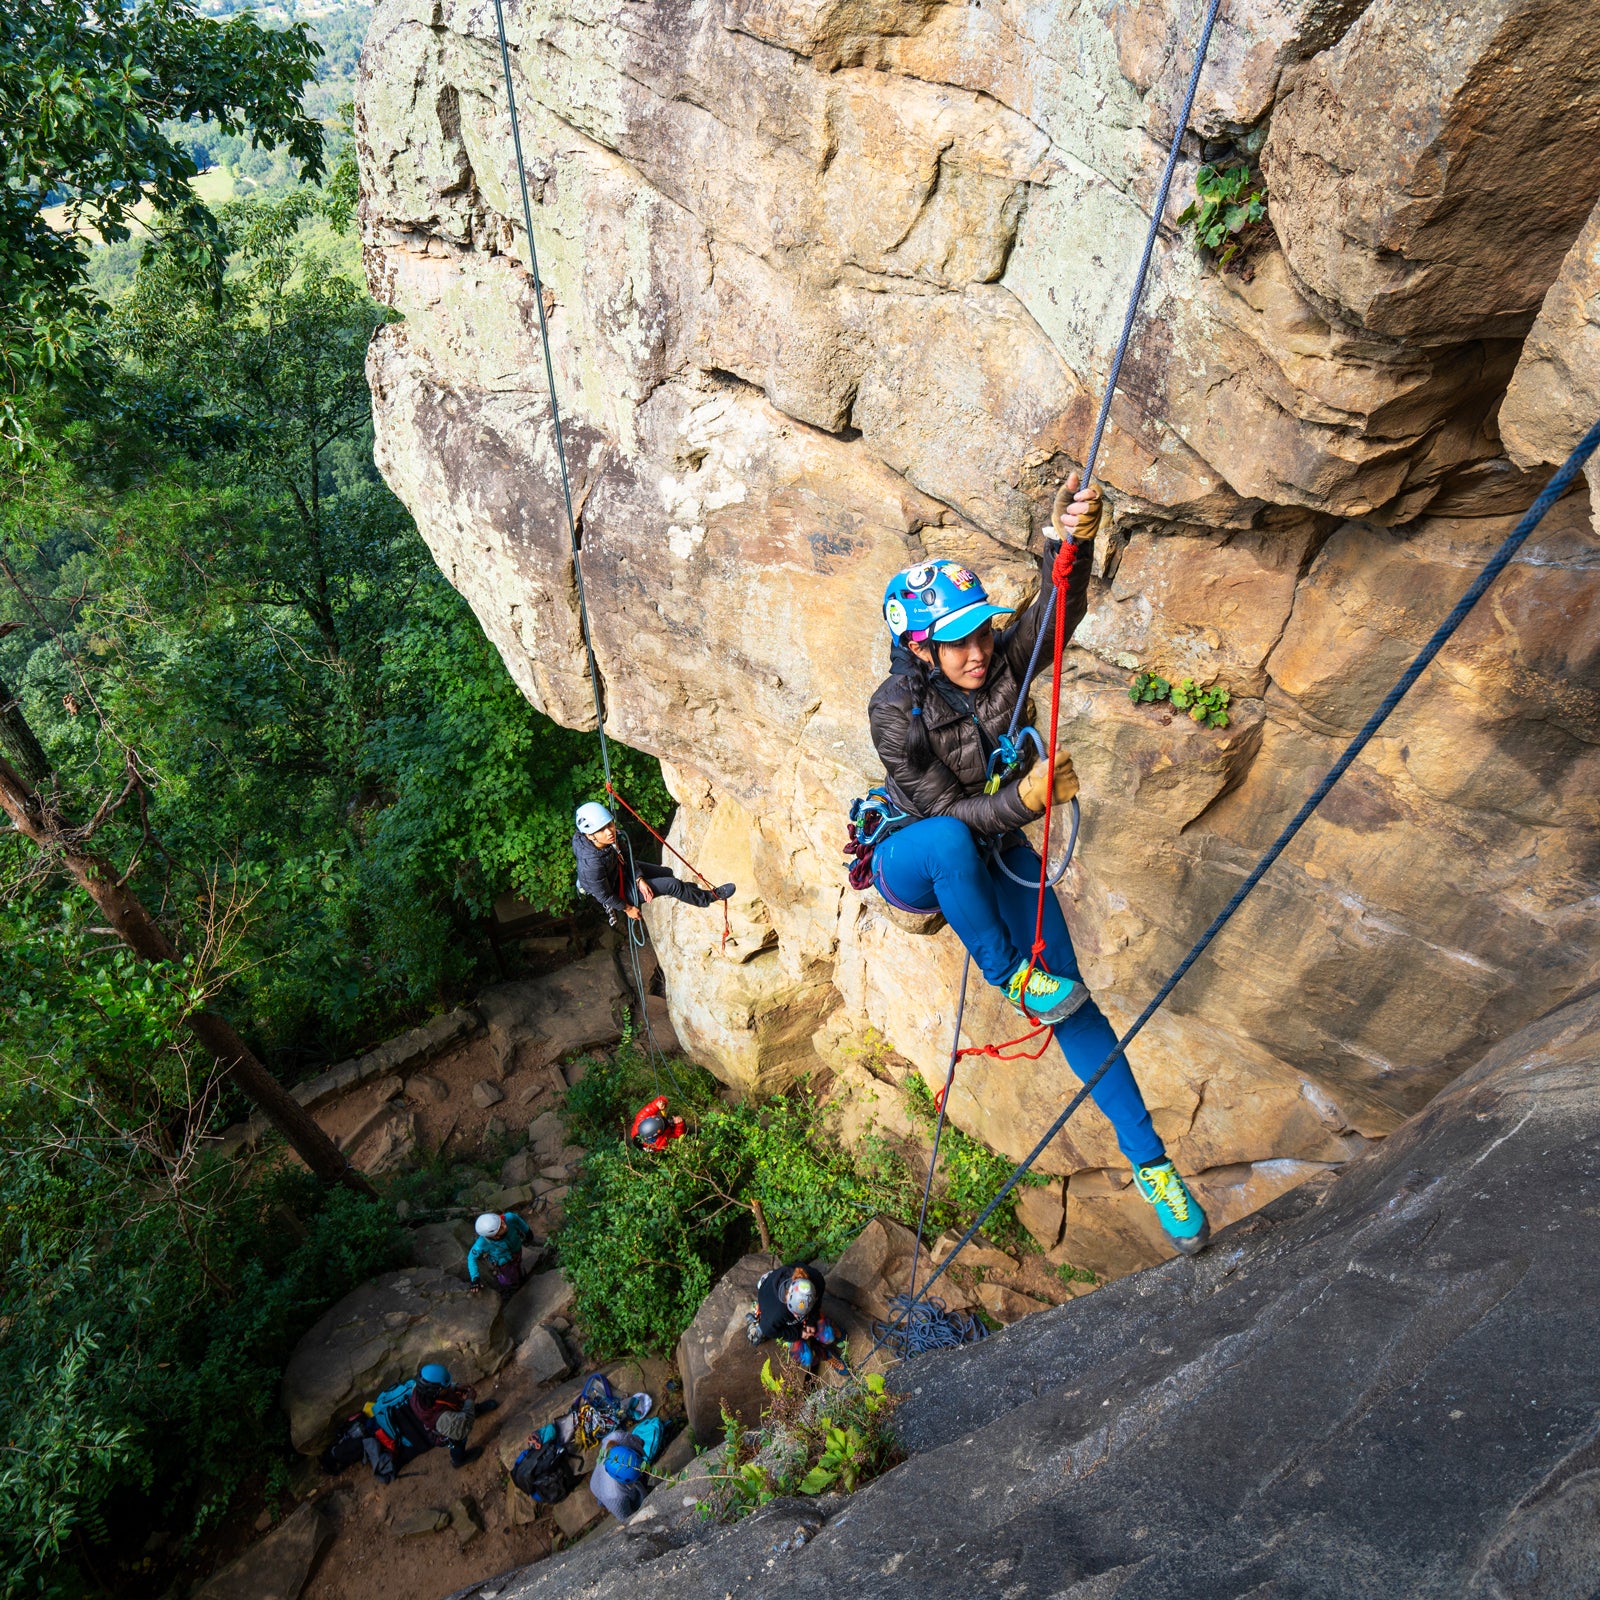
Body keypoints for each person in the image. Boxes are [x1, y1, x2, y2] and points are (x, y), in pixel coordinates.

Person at [864, 475, 1208, 1256]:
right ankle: (1008, 973)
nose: (979, 653)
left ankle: (1152, 1166)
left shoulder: (999, 662)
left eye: (982, 634)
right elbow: (946, 816)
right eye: (958, 643)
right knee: (951, 847)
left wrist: (1069, 539)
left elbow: (1055, 615)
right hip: (913, 858)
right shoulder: (894, 708)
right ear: (920, 648)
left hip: (996, 856)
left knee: (1077, 1004)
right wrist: (1026, 797)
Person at [320, 1362, 498, 1481]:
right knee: (457, 1439)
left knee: (456, 1403)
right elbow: (461, 1428)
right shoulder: (438, 1417)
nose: (448, 1387)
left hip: (438, 1416)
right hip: (443, 1431)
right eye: (444, 1386)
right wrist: (469, 1402)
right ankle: (459, 1459)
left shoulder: (419, 1389)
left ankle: (475, 1411)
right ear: (435, 1391)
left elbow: (440, 1389)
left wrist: (453, 1387)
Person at [572, 801, 735, 924]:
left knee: (667, 873)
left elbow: (626, 854)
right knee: (672, 885)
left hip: (621, 870)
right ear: (589, 835)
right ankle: (711, 897)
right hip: (618, 891)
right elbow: (604, 895)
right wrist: (628, 909)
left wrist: (639, 879)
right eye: (601, 830)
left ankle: (687, 891)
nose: (609, 832)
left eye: (609, 825)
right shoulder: (591, 865)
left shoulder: (608, 839)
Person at [745, 1261, 845, 1374]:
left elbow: (816, 1305)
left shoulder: (816, 1280)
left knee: (828, 1336)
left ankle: (826, 1331)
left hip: (805, 1311)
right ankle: (823, 1353)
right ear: (787, 1299)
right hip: (785, 1321)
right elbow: (772, 1331)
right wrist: (798, 1333)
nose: (799, 1317)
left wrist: (811, 1321)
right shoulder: (773, 1314)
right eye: (796, 1313)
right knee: (806, 1358)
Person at [468, 1210, 537, 1294]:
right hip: (503, 1262)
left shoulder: (508, 1218)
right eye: (500, 1228)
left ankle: (519, 1276)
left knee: (517, 1264)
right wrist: (475, 1278)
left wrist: (527, 1231)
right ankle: (512, 1286)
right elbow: (471, 1257)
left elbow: (517, 1220)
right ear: (495, 1236)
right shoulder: (482, 1243)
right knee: (509, 1278)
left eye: (501, 1222)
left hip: (516, 1250)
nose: (504, 1225)